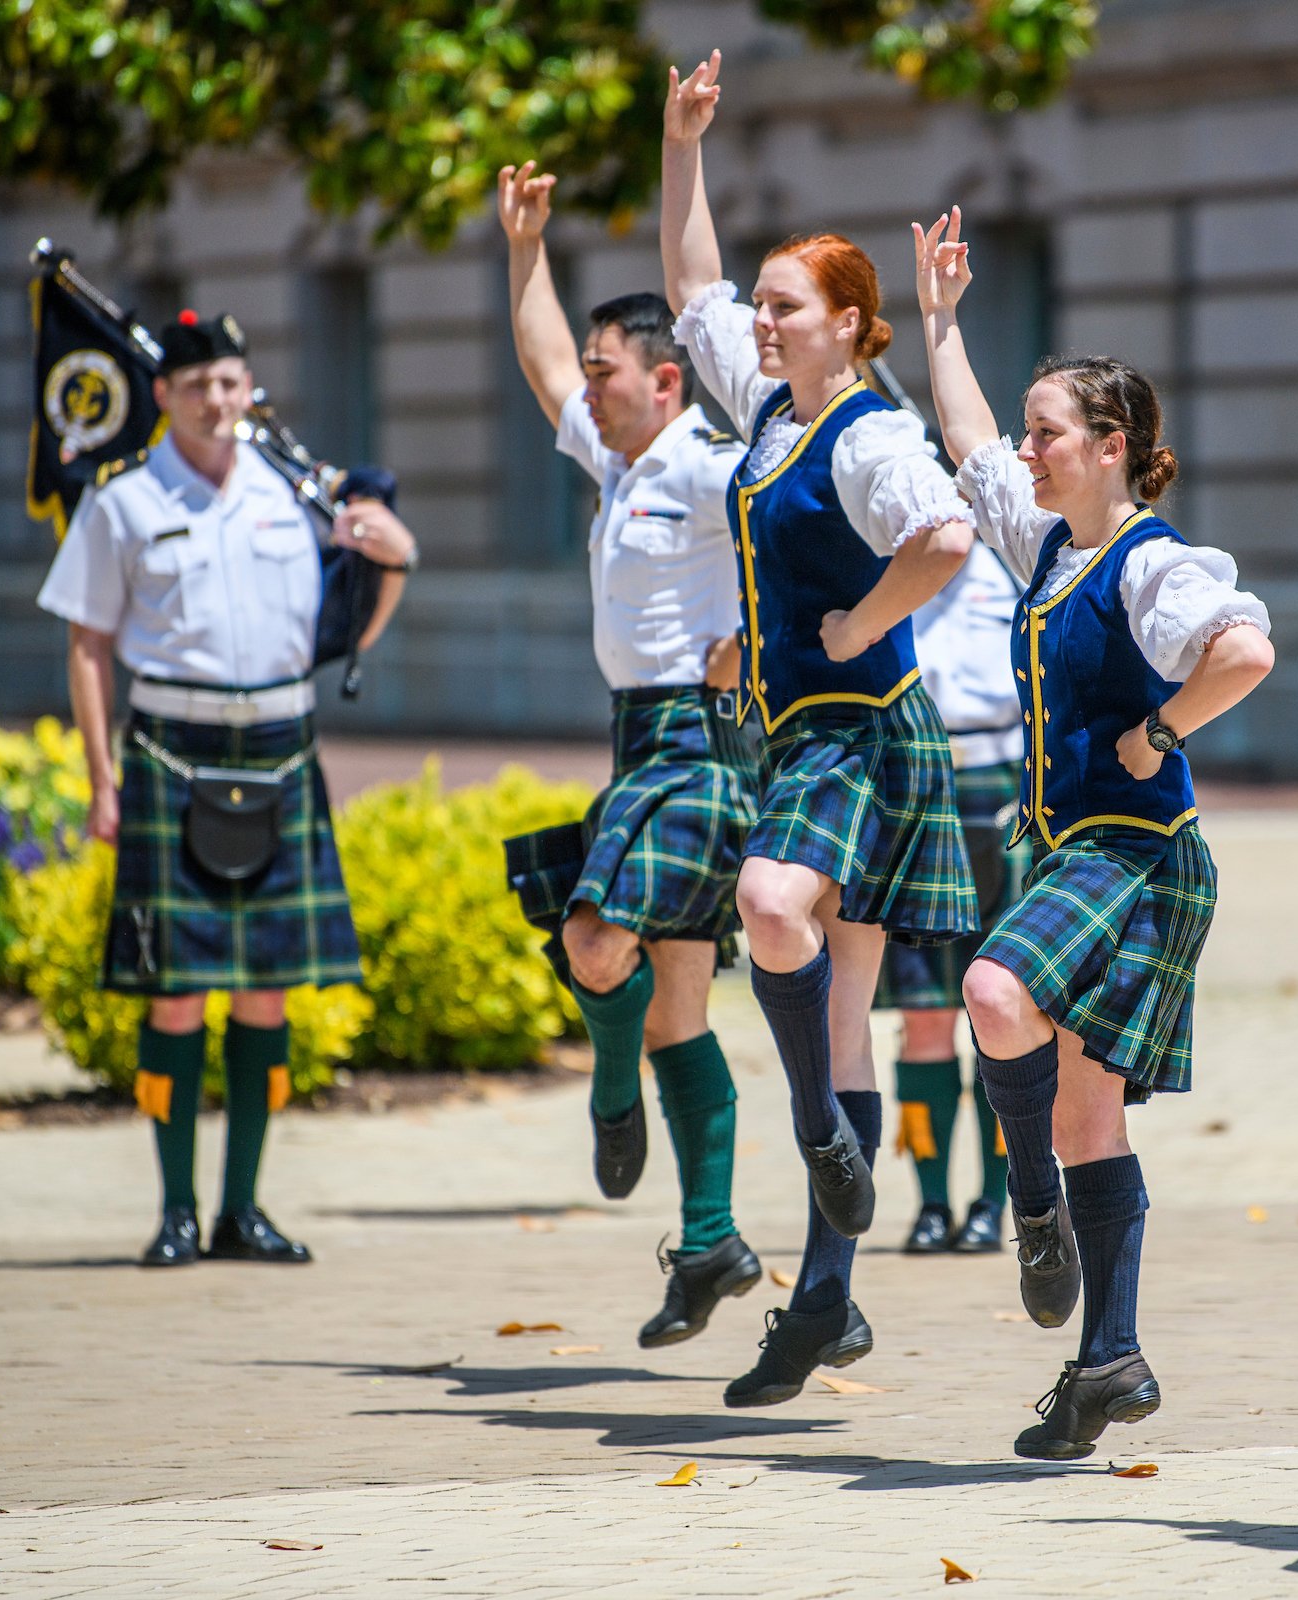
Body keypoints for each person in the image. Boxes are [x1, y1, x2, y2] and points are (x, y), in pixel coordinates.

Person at [915, 208, 1276, 1460]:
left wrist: (1161, 729)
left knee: (992, 989)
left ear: (1113, 445)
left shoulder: (1146, 561)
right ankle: (1108, 1361)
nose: (1027, 451)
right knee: (1086, 1118)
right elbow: (966, 442)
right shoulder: (1053, 550)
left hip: (1138, 856)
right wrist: (942, 324)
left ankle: (1029, 1209)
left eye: (1049, 435)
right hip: (1084, 855)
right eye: (1030, 434)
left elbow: (1245, 650)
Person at [659, 52, 982, 1408]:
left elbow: (949, 535)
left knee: (769, 910)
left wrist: (855, 629)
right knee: (842, 1019)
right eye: (771, 309)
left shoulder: (860, 433)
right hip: (810, 737)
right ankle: (828, 1306)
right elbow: (690, 292)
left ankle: (816, 1144)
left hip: (864, 731)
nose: (766, 323)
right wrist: (683, 151)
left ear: (849, 325)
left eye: (790, 308)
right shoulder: (774, 413)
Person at [37, 309, 418, 1268]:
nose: (218, 399)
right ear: (162, 396)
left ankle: (242, 1209)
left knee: (267, 994)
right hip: (171, 750)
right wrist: (100, 779)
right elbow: (87, 645)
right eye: (198, 384)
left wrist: (390, 560)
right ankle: (173, 1212)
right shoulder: (121, 501)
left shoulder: (293, 495)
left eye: (232, 382)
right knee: (173, 997)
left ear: (251, 391)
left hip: (283, 747)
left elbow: (353, 606)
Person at [494, 162, 765, 1348]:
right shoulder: (617, 459)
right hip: (637, 741)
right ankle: (711, 1242)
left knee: (594, 942)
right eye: (596, 377)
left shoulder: (711, 464)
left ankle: (611, 1099)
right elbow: (547, 359)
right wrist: (524, 247)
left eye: (611, 377)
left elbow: (819, 552)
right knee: (676, 1012)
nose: (588, 393)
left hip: (701, 746)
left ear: (668, 380)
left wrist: (752, 645)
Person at [875, 535, 1026, 1256]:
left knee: (1001, 1018)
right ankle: (932, 1204)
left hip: (1001, 795)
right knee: (926, 1018)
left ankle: (993, 1207)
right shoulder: (891, 572)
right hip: (918, 797)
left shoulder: (1017, 562)